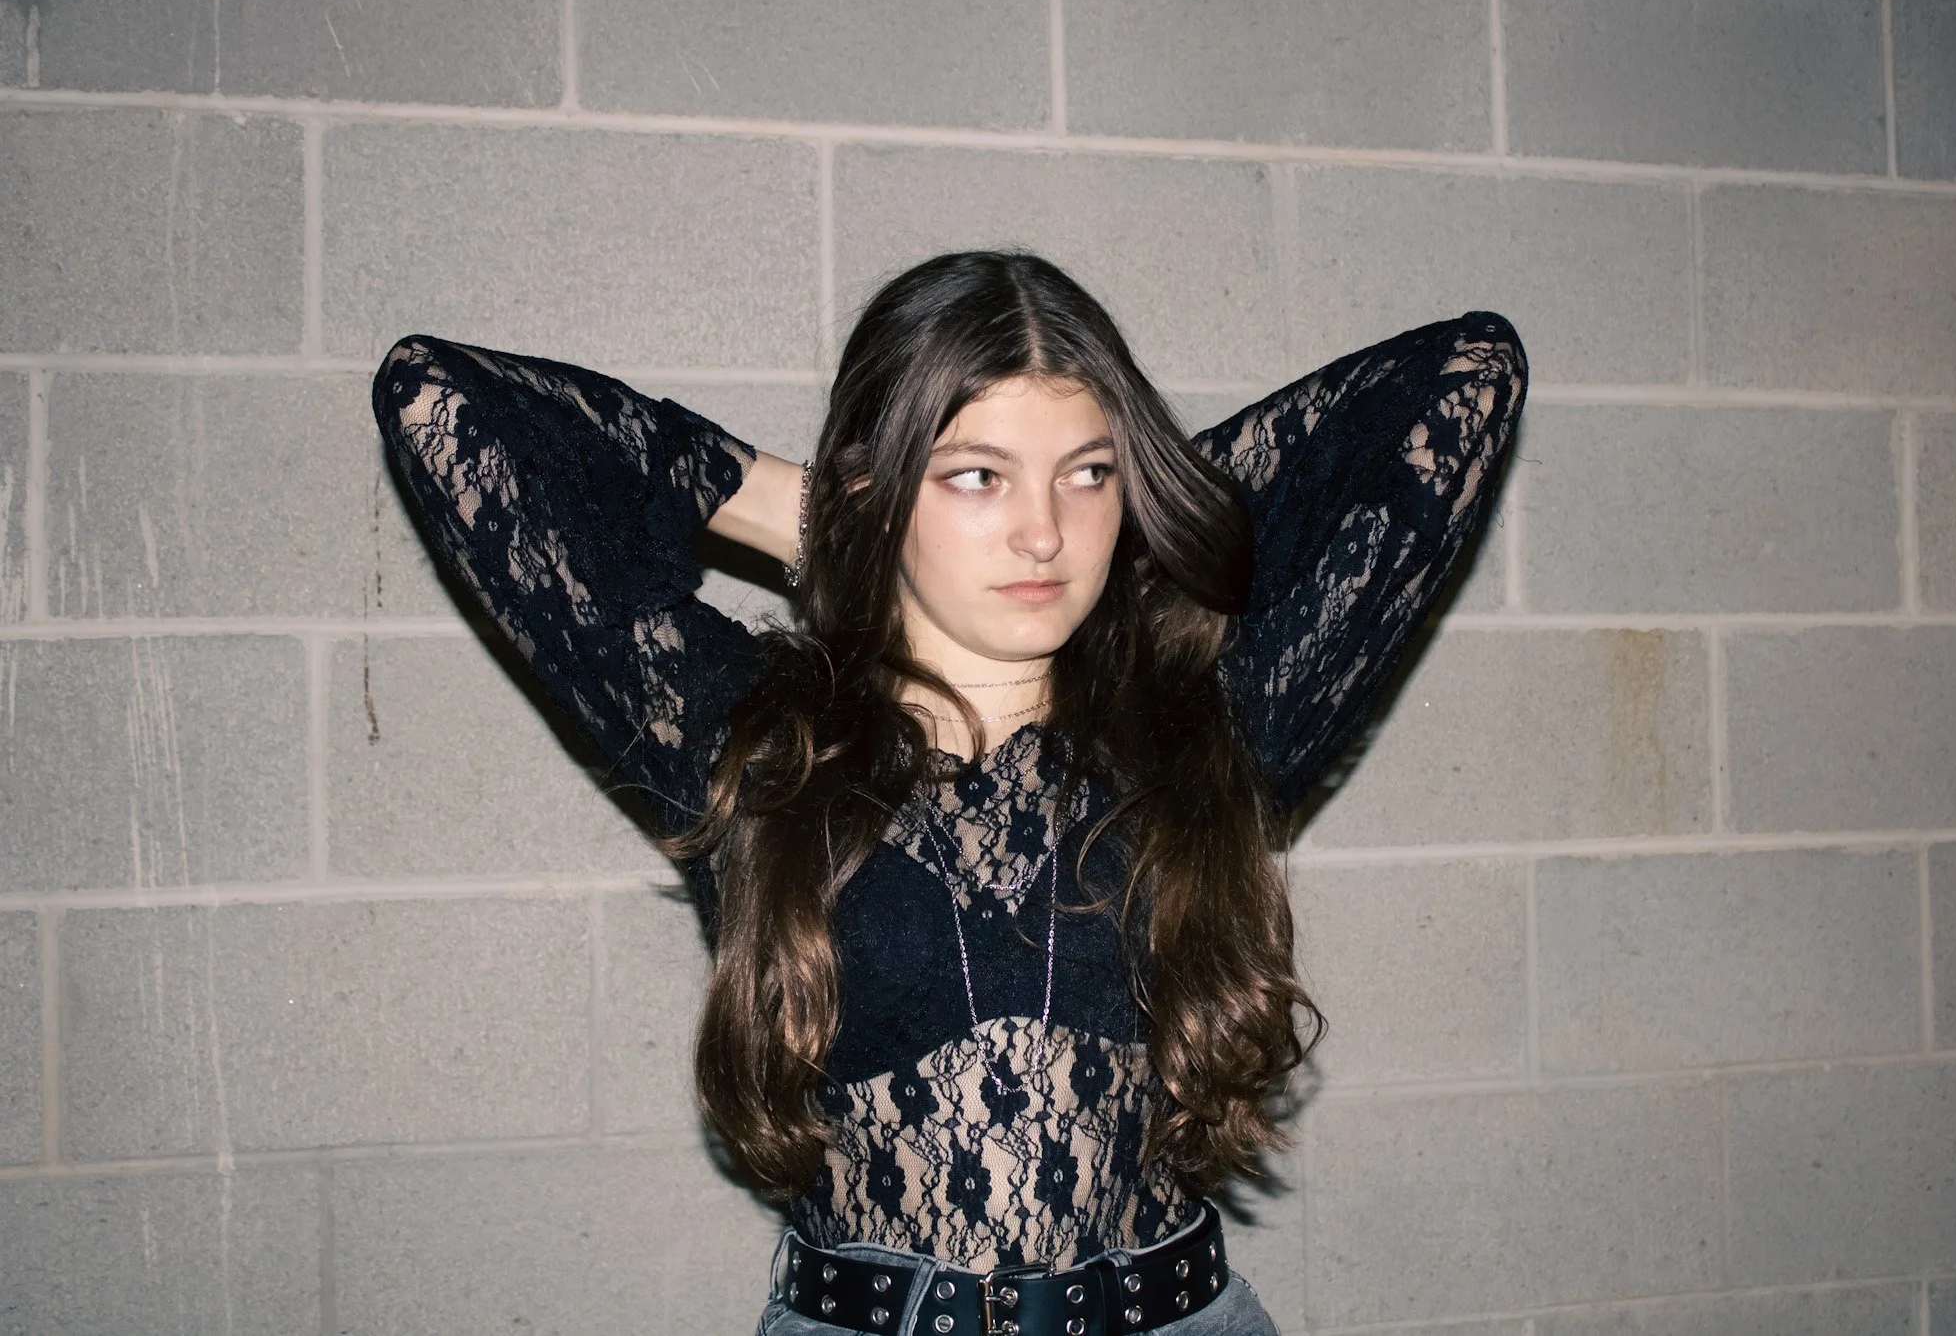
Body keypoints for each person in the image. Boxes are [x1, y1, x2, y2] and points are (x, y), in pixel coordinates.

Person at [371, 249, 1528, 1336]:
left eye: (1086, 475)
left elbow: (1467, 376)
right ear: (876, 487)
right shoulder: (749, 735)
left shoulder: (1213, 719)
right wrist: (803, 505)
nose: (1042, 532)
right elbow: (439, 403)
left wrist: (1149, 495)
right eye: (976, 476)